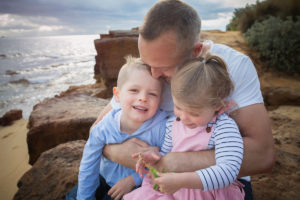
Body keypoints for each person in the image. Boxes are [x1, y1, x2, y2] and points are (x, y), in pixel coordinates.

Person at [91, 0, 275, 199]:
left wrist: (172, 162)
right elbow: (96, 131)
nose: (152, 75)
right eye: (147, 63)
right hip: (143, 176)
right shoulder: (153, 66)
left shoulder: (234, 67)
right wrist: (114, 152)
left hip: (213, 185)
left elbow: (262, 155)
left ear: (196, 51)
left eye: (164, 67)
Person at [124, 52, 245, 200]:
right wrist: (155, 159)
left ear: (217, 105)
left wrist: (181, 181)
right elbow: (166, 157)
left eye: (194, 113)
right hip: (175, 192)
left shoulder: (223, 127)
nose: (184, 118)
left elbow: (227, 172)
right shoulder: (173, 124)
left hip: (208, 193)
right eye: (178, 107)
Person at [71, 56, 168, 200]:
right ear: (117, 95)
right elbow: (89, 164)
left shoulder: (162, 128)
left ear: (160, 101)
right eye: (134, 90)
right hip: (102, 178)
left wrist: (133, 180)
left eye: (152, 94)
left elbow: (165, 166)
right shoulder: (105, 126)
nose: (143, 98)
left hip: (137, 187)